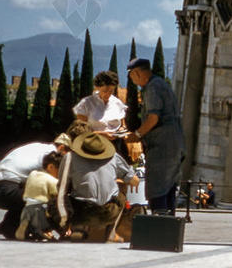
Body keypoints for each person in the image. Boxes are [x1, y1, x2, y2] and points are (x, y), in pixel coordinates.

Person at [0, 131, 72, 239]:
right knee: (44, 197)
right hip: (4, 189)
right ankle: (37, 229)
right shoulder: (51, 156)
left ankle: (10, 227)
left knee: (31, 193)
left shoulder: (39, 147)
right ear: (61, 148)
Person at [125, 58, 184, 215]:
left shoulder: (152, 88)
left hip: (162, 147)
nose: (133, 81)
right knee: (168, 187)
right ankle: (168, 227)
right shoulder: (161, 84)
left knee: (157, 188)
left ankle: (159, 225)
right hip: (174, 144)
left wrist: (136, 135)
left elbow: (153, 118)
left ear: (137, 73)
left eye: (132, 77)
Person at [55, 131, 139, 242]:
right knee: (121, 188)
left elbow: (62, 189)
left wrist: (64, 221)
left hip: (80, 212)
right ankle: (111, 233)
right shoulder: (114, 157)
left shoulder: (69, 157)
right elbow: (134, 181)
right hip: (108, 212)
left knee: (64, 192)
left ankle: (76, 228)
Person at [74, 70, 130, 160]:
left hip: (116, 145)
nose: (108, 94)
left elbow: (123, 126)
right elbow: (80, 130)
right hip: (93, 144)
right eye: (105, 91)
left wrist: (122, 132)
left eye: (111, 91)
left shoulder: (117, 103)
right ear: (97, 87)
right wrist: (102, 134)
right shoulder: (86, 103)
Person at [16, 152, 62, 241]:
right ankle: (44, 232)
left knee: (31, 222)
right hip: (41, 209)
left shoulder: (32, 174)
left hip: (27, 207)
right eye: (59, 170)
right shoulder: (52, 180)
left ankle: (25, 228)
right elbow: (57, 194)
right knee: (52, 214)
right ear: (51, 167)